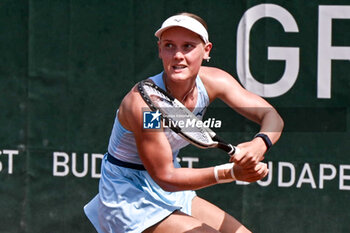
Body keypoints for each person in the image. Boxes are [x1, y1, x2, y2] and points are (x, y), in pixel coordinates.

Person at [84, 12, 284, 233]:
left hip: (172, 190)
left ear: (206, 50)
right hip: (129, 196)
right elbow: (166, 176)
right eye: (169, 45)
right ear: (160, 49)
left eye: (188, 46)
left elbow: (271, 116)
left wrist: (260, 143)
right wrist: (232, 173)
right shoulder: (144, 105)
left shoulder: (214, 81)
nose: (178, 55)